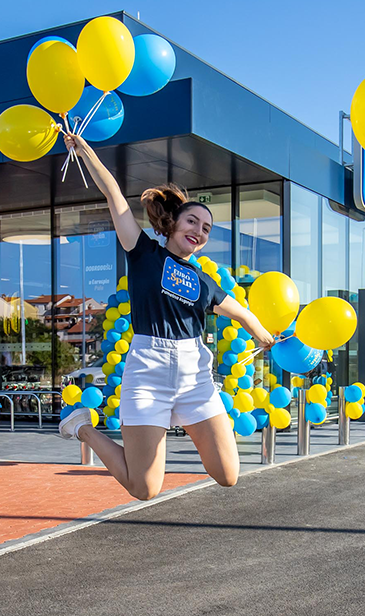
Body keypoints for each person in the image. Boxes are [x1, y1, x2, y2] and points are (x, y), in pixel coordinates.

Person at [57, 132, 275, 501]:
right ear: (172, 223)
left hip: (195, 377)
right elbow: (114, 195)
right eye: (193, 221)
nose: (199, 231)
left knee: (228, 474)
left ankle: (188, 424)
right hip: (149, 372)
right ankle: (82, 428)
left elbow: (237, 309)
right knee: (144, 488)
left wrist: (262, 332)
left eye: (206, 229)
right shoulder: (143, 254)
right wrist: (86, 152)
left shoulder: (204, 282)